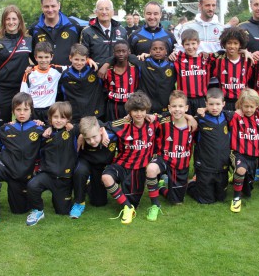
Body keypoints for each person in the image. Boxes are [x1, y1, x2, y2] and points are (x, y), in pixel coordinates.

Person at [0, 92, 44, 230]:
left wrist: (47, 126)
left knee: (19, 210)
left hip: (21, 173)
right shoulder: (7, 128)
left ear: (31, 110)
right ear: (13, 111)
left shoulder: (39, 128)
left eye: (25, 110)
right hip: (4, 166)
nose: (22, 113)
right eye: (18, 110)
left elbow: (56, 132)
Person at [102, 91, 159, 225]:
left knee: (135, 201)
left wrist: (190, 117)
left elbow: (171, 115)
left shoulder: (153, 122)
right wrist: (103, 130)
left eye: (142, 110)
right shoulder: (123, 123)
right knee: (106, 177)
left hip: (139, 169)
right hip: (121, 165)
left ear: (147, 110)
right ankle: (128, 208)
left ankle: (132, 204)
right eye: (135, 110)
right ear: (129, 111)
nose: (139, 114)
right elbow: (103, 124)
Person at [145, 90, 196, 221]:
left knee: (176, 202)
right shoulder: (162, 121)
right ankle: (155, 205)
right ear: (169, 107)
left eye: (180, 106)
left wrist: (192, 118)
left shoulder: (194, 125)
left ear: (186, 108)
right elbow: (145, 117)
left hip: (181, 165)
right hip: (164, 159)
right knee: (151, 169)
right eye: (174, 106)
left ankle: (161, 187)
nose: (177, 109)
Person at [26, 102, 79, 226]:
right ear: (50, 118)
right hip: (48, 176)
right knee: (32, 185)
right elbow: (31, 129)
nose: (59, 120)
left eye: (62, 117)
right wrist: (40, 124)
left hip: (64, 179)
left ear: (68, 119)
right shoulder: (45, 133)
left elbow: (88, 126)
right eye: (55, 117)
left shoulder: (73, 131)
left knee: (62, 211)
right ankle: (38, 210)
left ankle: (69, 198)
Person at [100, 39, 176, 114]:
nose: (158, 51)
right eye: (154, 49)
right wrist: (107, 64)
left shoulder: (173, 65)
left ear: (166, 51)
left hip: (166, 106)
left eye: (161, 49)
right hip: (146, 107)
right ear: (150, 51)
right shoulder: (142, 62)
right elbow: (123, 55)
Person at [0, 5, 32, 127]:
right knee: (4, 127)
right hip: (4, 90)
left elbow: (38, 62)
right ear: (3, 21)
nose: (11, 22)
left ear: (19, 21)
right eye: (8, 19)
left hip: (23, 89)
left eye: (14, 19)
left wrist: (31, 68)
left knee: (26, 125)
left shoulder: (28, 40)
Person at [187, 88, 231, 204]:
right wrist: (191, 117)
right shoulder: (200, 119)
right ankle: (191, 183)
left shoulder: (228, 117)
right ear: (206, 104)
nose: (214, 107)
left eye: (218, 104)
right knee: (206, 200)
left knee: (221, 198)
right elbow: (182, 118)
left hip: (222, 167)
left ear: (223, 104)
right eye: (211, 104)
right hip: (205, 167)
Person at [70, 116, 115, 219]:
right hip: (85, 161)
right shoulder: (79, 130)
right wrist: (81, 135)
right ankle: (79, 203)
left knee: (99, 203)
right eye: (88, 139)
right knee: (80, 171)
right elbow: (65, 124)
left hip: (100, 166)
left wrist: (103, 129)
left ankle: (89, 183)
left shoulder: (110, 132)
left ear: (100, 130)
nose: (92, 141)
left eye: (94, 137)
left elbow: (122, 121)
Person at [227, 88, 259, 213]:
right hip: (238, 153)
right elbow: (217, 111)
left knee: (248, 191)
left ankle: (237, 177)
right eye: (245, 106)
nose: (248, 109)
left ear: (257, 106)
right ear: (240, 105)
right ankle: (236, 199)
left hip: (254, 157)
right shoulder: (234, 116)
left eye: (251, 106)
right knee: (241, 169)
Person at [29, 0, 81, 66]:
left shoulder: (74, 25)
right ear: (42, 7)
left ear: (59, 5)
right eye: (46, 6)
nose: (50, 10)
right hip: (44, 76)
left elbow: (83, 48)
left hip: (68, 75)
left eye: (53, 6)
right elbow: (30, 52)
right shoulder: (34, 29)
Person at [20, 41, 65, 123]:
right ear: (35, 57)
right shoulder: (29, 73)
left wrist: (88, 60)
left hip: (50, 110)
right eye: (40, 57)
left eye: (46, 57)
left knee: (49, 133)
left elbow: (75, 65)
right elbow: (23, 95)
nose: (43, 60)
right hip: (33, 111)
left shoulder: (57, 70)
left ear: (52, 57)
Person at [60, 43, 105, 123]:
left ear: (86, 59)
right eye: (76, 59)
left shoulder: (94, 69)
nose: (79, 63)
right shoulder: (65, 75)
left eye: (82, 60)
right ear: (70, 58)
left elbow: (113, 59)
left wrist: (89, 61)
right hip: (75, 117)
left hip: (95, 115)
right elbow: (61, 96)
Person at [211, 27, 253, 111]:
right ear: (224, 44)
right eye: (229, 43)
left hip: (242, 102)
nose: (232, 46)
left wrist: (245, 51)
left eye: (235, 43)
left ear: (240, 45)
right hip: (224, 103)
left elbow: (250, 80)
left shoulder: (248, 60)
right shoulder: (218, 60)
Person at [173, 29, 212, 115]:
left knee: (201, 125)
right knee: (186, 126)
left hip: (201, 99)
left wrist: (243, 51)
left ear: (198, 43)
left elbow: (223, 54)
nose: (190, 47)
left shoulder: (205, 59)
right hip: (184, 100)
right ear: (182, 45)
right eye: (187, 44)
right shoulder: (177, 58)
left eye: (193, 43)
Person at [81, 0, 127, 65]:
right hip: (96, 73)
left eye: (107, 9)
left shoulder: (122, 31)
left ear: (112, 12)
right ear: (96, 12)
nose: (104, 12)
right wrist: (88, 60)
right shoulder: (87, 32)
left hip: (117, 73)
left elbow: (128, 53)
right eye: (101, 9)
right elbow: (82, 55)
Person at [101, 40, 139, 121]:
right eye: (118, 51)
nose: (121, 54)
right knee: (113, 128)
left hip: (130, 105)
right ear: (113, 53)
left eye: (123, 51)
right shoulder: (107, 70)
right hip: (112, 106)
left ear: (129, 52)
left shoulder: (135, 68)